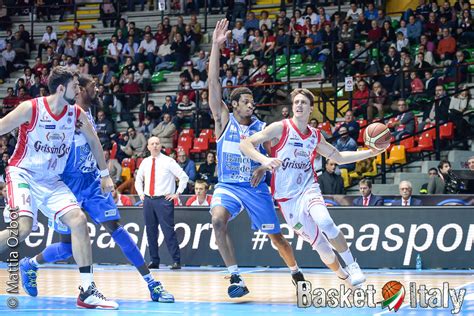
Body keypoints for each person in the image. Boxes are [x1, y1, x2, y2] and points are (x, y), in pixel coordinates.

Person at [18, 75, 174, 303]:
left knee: (117, 230)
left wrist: (103, 175)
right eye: (94, 86)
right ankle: (30, 264)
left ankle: (152, 284)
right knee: (68, 247)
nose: (98, 89)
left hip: (91, 183)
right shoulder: (63, 115)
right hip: (66, 185)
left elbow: (95, 146)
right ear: (79, 90)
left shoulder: (86, 113)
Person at [240, 88, 384, 287]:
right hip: (287, 200)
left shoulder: (315, 136)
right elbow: (245, 144)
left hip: (308, 188)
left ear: (311, 109)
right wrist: (265, 160)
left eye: (303, 103)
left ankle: (353, 265)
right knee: (322, 248)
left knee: (325, 221)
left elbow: (339, 157)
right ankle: (344, 276)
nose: (298, 105)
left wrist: (370, 152)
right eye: (296, 102)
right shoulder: (280, 128)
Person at [0, 67, 117, 309]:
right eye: (75, 87)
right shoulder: (31, 108)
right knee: (23, 229)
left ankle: (87, 291)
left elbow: (95, 142)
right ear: (61, 89)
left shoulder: (75, 113)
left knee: (78, 220)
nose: (78, 90)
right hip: (23, 173)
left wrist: (105, 175)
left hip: (51, 180)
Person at [209, 19, 305, 298]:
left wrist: (264, 168)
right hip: (227, 186)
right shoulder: (223, 120)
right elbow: (213, 83)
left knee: (277, 238)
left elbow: (279, 158)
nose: (251, 104)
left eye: (253, 101)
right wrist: (216, 47)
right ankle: (236, 277)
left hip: (254, 189)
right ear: (234, 104)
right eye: (246, 101)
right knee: (217, 220)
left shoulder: (262, 129)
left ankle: (295, 271)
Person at [135, 136, 189, 270]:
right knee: (150, 232)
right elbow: (138, 180)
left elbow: (184, 177)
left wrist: (177, 194)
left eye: (157, 143)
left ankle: (176, 261)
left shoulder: (168, 161)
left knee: (168, 231)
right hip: (148, 200)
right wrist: (141, 194)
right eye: (152, 144)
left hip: (163, 201)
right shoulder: (145, 162)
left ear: (161, 146)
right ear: (148, 147)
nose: (154, 146)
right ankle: (154, 260)